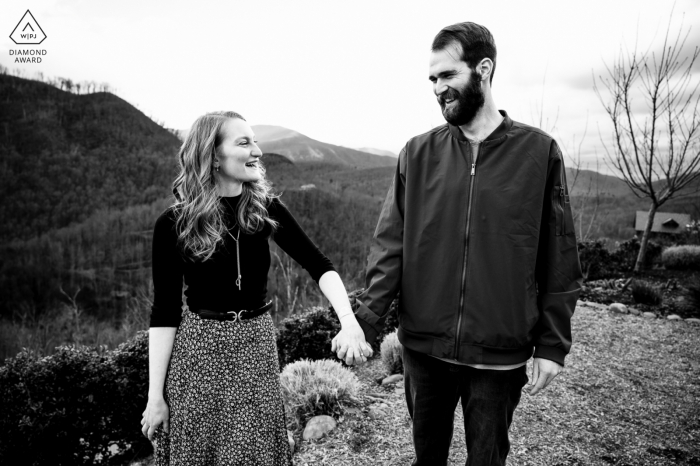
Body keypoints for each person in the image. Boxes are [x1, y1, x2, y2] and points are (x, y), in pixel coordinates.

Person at [348, 23, 583, 466]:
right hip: (425, 349)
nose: (438, 88)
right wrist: (367, 319)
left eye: (448, 75)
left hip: (499, 353)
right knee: (427, 458)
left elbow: (560, 256)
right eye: (433, 79)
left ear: (484, 69)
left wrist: (552, 346)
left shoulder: (539, 154)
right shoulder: (416, 154)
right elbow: (390, 247)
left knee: (487, 461)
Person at [140, 111, 372, 465]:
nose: (258, 151)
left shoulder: (265, 208)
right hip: (200, 354)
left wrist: (348, 319)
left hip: (257, 347)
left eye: (256, 141)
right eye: (244, 142)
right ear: (213, 155)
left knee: (257, 451)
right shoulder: (173, 223)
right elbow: (164, 312)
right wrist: (155, 396)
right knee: (201, 452)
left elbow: (318, 264)